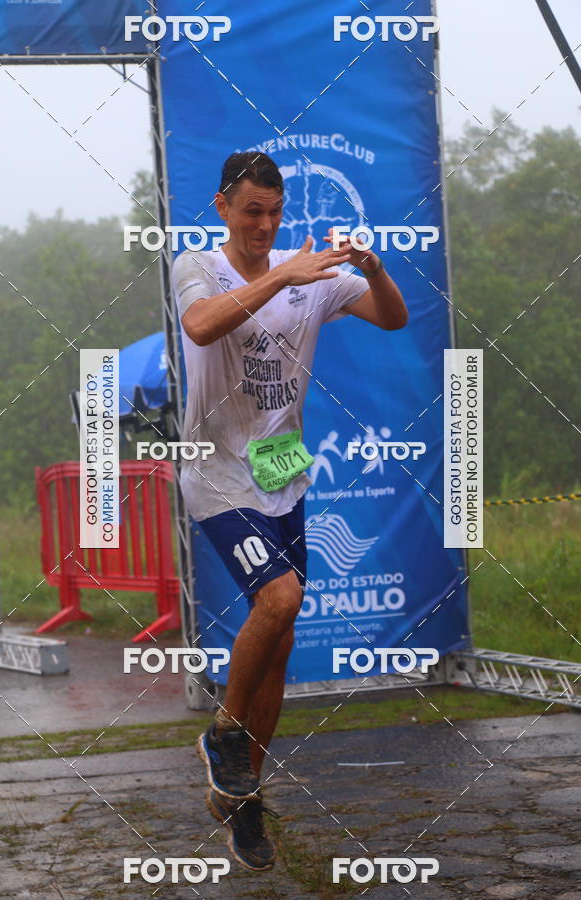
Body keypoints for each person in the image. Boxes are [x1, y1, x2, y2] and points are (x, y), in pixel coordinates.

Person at [172, 151, 408, 872]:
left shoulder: (311, 281)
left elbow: (393, 320)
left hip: (284, 475)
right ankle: (222, 737)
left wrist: (370, 270)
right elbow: (203, 326)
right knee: (279, 596)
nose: (264, 226)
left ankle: (243, 795)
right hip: (216, 474)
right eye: (251, 212)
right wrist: (281, 273)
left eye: (274, 213)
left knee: (279, 639)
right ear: (223, 208)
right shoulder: (198, 265)